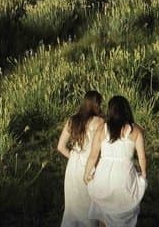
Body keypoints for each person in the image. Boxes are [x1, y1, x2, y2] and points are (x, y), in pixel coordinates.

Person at [84, 95, 148, 226]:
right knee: (124, 209)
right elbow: (142, 157)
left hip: (104, 174)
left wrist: (86, 173)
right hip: (124, 175)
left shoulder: (102, 129)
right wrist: (143, 174)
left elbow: (93, 155)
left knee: (103, 211)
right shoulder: (136, 131)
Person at [57, 90, 105, 227]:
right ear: (96, 104)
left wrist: (73, 156)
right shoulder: (100, 122)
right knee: (89, 207)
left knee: (72, 207)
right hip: (90, 165)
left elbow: (60, 147)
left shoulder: (72, 120)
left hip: (73, 166)